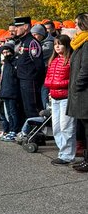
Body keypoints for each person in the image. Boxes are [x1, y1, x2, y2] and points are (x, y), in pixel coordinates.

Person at [44, 35, 75, 165]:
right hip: (54, 97)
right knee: (56, 127)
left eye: (60, 44)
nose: (57, 46)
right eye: (55, 44)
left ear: (66, 45)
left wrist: (60, 83)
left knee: (66, 127)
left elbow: (73, 80)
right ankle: (63, 151)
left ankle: (67, 155)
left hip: (66, 98)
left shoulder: (70, 60)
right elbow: (48, 78)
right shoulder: (53, 60)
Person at [67, 13, 88, 174]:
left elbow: (85, 69)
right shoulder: (80, 43)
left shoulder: (86, 44)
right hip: (79, 93)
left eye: (76, 23)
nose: (74, 26)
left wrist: (76, 86)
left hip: (84, 93)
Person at [12, 16, 44, 123]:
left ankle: (38, 135)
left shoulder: (32, 43)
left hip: (30, 81)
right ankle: (30, 133)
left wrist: (34, 79)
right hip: (22, 79)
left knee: (32, 109)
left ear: (26, 27)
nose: (15, 29)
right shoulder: (22, 42)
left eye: (18, 27)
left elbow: (38, 65)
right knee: (25, 108)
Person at [0, 44, 20, 141]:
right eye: (3, 53)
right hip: (5, 91)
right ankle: (10, 130)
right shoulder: (4, 64)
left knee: (13, 112)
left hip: (12, 91)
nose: (5, 54)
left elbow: (15, 76)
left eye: (7, 52)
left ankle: (15, 130)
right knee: (8, 113)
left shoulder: (14, 62)